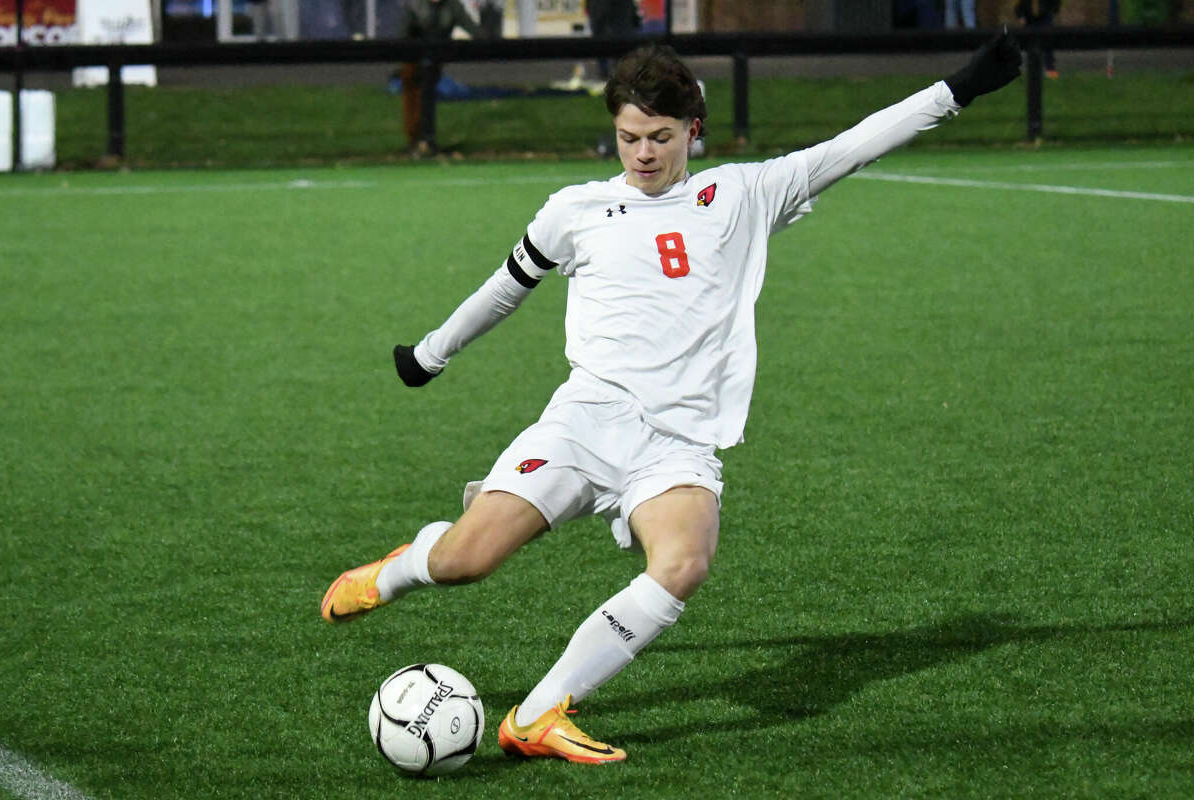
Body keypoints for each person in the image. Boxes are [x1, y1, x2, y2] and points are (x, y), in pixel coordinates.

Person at [321, 36, 1022, 764]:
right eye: (628, 137)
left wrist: (962, 86)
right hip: (584, 423)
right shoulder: (576, 210)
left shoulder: (745, 194)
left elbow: (857, 144)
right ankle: (395, 570)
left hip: (677, 444)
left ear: (694, 129)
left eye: (660, 136)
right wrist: (431, 354)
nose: (644, 153)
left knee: (683, 561)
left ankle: (538, 715)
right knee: (467, 561)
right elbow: (507, 288)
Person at [396, 0, 484, 155]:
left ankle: (426, 140)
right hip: (413, 58)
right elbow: (402, 36)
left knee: (427, 93)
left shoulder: (453, 6)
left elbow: (474, 30)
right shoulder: (416, 6)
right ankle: (417, 140)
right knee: (414, 94)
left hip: (435, 59)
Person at [1016, 0, 1061, 77]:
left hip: (1045, 18)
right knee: (1029, 44)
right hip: (1029, 19)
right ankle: (1031, 70)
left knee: (1047, 42)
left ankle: (1050, 69)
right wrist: (1021, 16)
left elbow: (1056, 3)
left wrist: (1053, 12)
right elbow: (1020, 6)